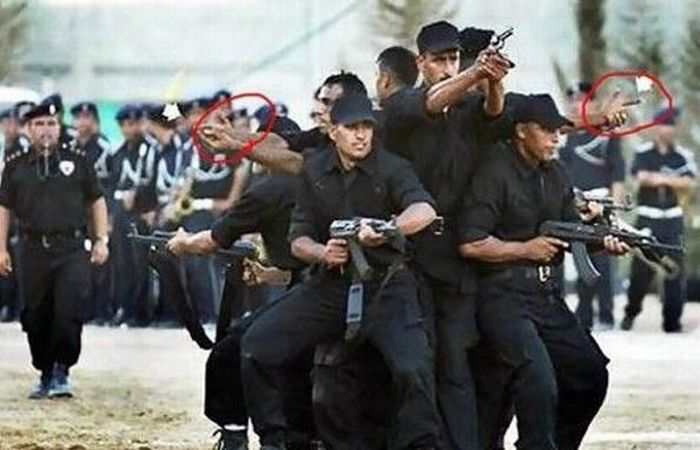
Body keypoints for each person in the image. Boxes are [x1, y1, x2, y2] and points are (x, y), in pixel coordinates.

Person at [239, 93, 440, 450]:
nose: (361, 135)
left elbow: (423, 210)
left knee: (414, 370)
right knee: (257, 346)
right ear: (333, 132)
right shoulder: (314, 169)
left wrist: (388, 229)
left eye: (366, 127)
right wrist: (323, 252)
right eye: (351, 128)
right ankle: (274, 440)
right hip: (331, 284)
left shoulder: (392, 167)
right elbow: (298, 238)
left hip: (387, 285)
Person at [458, 94, 628, 449]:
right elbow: (471, 243)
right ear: (522, 131)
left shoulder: (556, 173)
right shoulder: (495, 172)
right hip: (502, 297)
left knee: (590, 373)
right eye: (547, 130)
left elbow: (572, 233)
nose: (555, 138)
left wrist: (604, 241)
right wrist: (525, 249)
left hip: (546, 297)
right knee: (538, 380)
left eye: (559, 131)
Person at [378, 21, 510, 450]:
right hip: (410, 255)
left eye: (453, 58)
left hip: (456, 256)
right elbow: (433, 101)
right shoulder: (402, 103)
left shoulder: (469, 106)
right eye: (439, 60)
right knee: (416, 363)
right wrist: (475, 73)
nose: (447, 66)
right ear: (421, 63)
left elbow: (494, 113)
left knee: (455, 363)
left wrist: (493, 79)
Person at [0, 98, 109, 399]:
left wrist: (101, 239)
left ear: (59, 128)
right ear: (28, 129)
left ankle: (62, 370)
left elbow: (96, 200)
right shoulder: (15, 166)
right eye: (39, 124)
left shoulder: (79, 161)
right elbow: (4, 208)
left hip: (71, 248)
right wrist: (1, 248)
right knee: (35, 313)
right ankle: (45, 371)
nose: (46, 129)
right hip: (31, 249)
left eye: (51, 123)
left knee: (68, 309)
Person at [621, 108, 696, 333]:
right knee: (641, 271)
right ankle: (631, 311)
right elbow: (642, 178)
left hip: (672, 218)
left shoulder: (682, 156)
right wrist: (672, 179)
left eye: (671, 125)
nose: (667, 130)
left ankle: (672, 322)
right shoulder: (643, 153)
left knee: (675, 270)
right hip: (648, 217)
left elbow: (689, 183)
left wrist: (661, 178)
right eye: (664, 125)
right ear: (655, 127)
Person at [559, 82, 626, 331]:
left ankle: (606, 315)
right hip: (576, 203)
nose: (577, 104)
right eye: (574, 100)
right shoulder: (568, 137)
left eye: (583, 99)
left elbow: (617, 176)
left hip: (601, 202)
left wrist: (614, 210)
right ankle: (584, 316)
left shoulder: (606, 136)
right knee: (581, 259)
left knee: (603, 260)